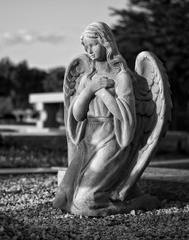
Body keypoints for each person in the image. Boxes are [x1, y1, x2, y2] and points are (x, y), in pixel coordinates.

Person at [53, 22, 157, 216]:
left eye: (93, 44)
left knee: (85, 204)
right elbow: (77, 114)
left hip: (112, 139)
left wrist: (101, 92)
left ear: (106, 42)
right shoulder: (87, 78)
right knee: (61, 199)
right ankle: (112, 195)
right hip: (89, 140)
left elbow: (124, 115)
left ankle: (137, 203)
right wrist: (91, 89)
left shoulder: (122, 77)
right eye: (86, 46)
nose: (89, 50)